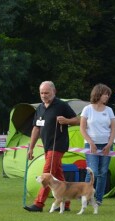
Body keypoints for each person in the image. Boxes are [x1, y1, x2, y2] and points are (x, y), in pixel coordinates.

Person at [24, 81, 80, 212]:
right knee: (58, 176)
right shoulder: (40, 108)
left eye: (46, 93)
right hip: (46, 146)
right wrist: (31, 148)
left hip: (58, 146)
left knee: (47, 174)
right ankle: (65, 203)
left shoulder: (61, 105)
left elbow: (77, 120)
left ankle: (39, 204)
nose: (44, 95)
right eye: (42, 93)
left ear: (54, 92)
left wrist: (66, 121)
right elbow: (36, 128)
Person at [80, 83, 115, 206]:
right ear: (98, 94)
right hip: (91, 145)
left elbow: (113, 129)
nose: (107, 96)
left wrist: (109, 144)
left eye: (108, 94)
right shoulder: (87, 109)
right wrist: (91, 142)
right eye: (105, 94)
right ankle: (85, 196)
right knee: (92, 171)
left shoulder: (109, 110)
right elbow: (82, 128)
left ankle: (99, 199)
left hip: (106, 144)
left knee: (103, 172)